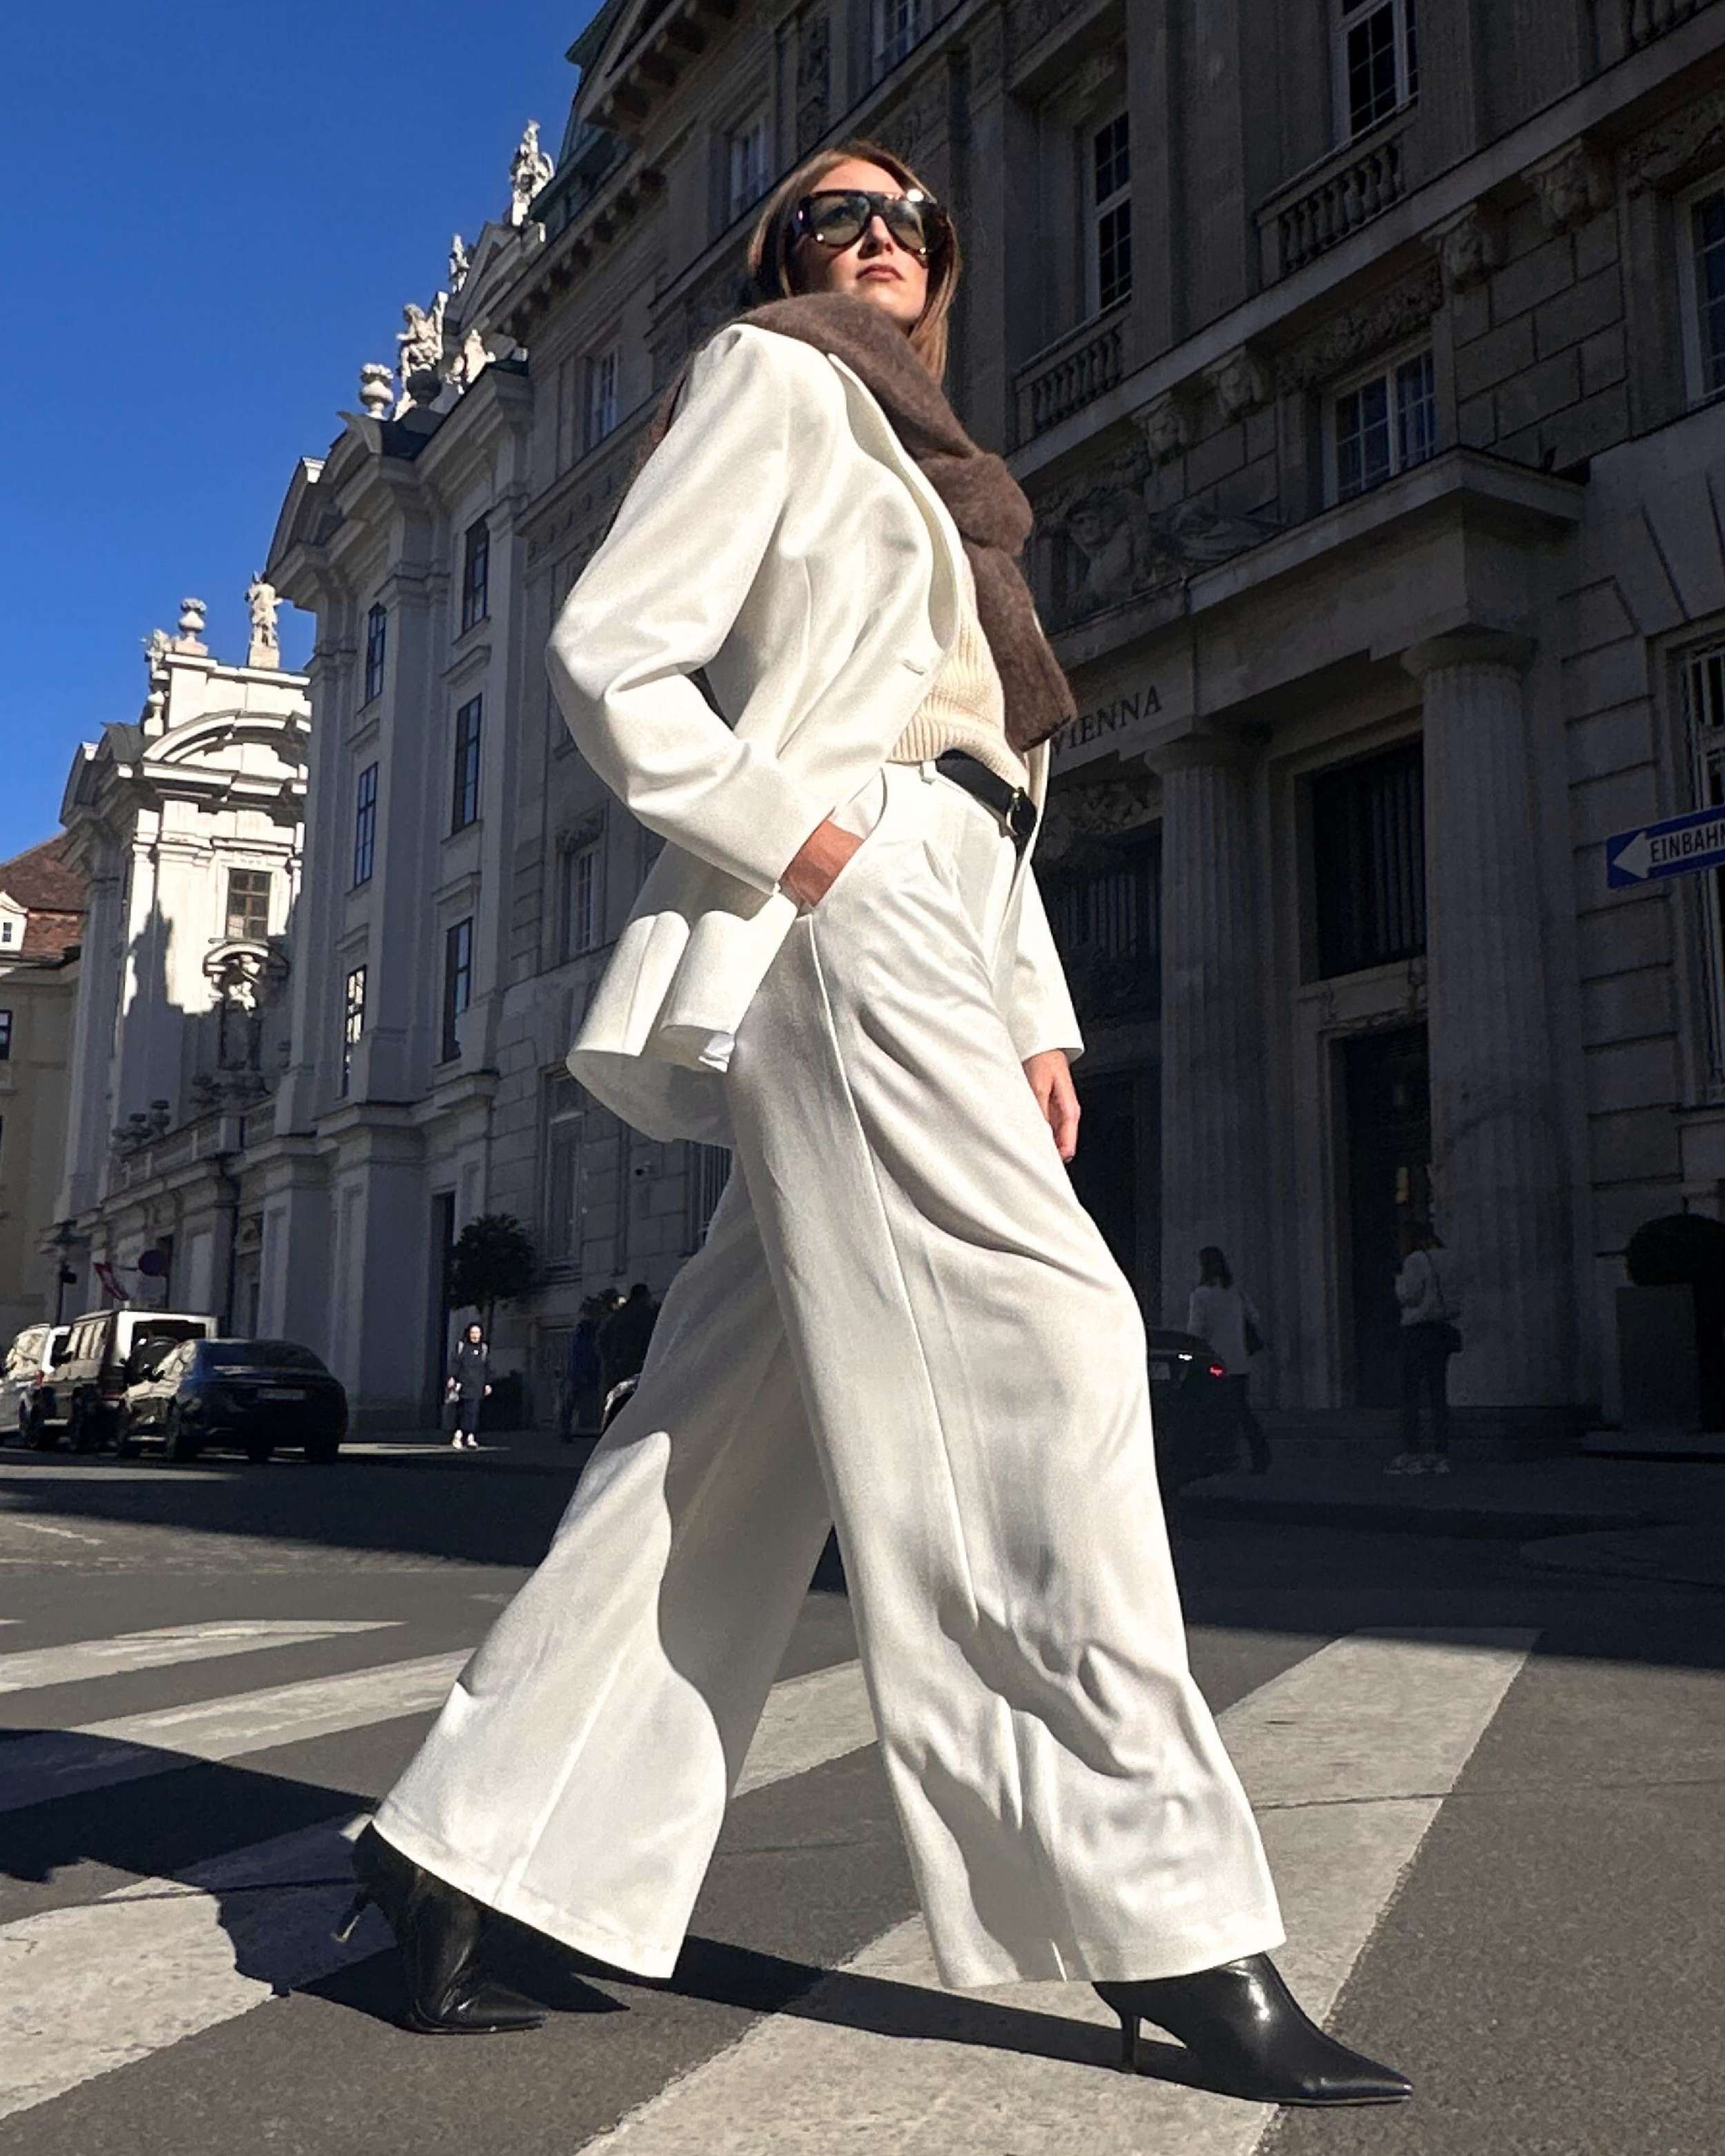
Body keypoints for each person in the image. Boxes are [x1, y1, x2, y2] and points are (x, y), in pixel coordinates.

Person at [337, 139, 1408, 2109]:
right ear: (782, 259)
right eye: (838, 213)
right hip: (842, 896)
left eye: (911, 218)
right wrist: (797, 836)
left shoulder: (947, 479)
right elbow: (609, 648)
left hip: (937, 895)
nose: (882, 236)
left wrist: (1031, 1003)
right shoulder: (774, 378)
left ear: (943, 264)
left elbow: (980, 764)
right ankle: (1160, 1921)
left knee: (721, 1437)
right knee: (1053, 1343)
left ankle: (452, 1859)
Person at [1186, 1246, 1270, 1475]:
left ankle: (1220, 1458)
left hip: (1214, 1361)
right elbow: (1255, 1317)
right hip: (1239, 1360)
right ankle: (1259, 1454)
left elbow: (1196, 1330)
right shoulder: (1235, 1292)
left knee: (1212, 1410)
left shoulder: (1200, 1296)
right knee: (1241, 1410)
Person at [1390, 1220, 1461, 1475]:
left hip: (1417, 1330)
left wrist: (1398, 1281)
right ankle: (1441, 1453)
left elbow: (1409, 1295)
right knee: (1437, 1393)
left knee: (1410, 1394)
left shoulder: (1415, 1260)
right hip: (1442, 1330)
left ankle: (1412, 1452)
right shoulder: (1450, 1259)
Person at [598, 1281, 659, 1398]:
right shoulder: (648, 1316)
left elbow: (602, 1342)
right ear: (645, 1297)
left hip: (617, 1371)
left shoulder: (615, 1318)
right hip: (640, 1368)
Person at [560, 1298, 605, 1443]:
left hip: (585, 1369)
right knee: (572, 1400)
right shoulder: (586, 1329)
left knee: (573, 1401)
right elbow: (579, 1351)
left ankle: (567, 1430)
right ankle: (565, 1430)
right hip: (582, 1370)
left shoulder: (589, 1329)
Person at [444, 1321, 491, 1452]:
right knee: (462, 1412)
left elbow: (486, 1367)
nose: (475, 1336)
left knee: (474, 1412)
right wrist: (452, 1377)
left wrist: (487, 1384)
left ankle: (471, 1437)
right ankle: (459, 1435)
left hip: (477, 1386)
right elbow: (456, 1363)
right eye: (473, 1333)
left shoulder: (484, 1349)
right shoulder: (462, 1347)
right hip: (463, 1385)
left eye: (477, 1333)